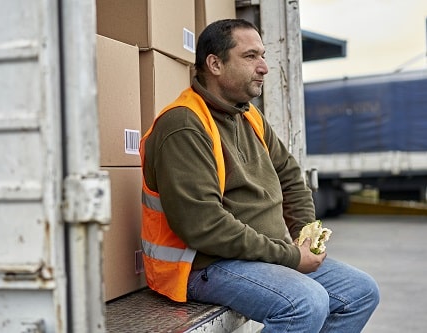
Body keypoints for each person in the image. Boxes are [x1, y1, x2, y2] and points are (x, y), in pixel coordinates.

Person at [139, 18, 379, 332]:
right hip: (205, 265)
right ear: (215, 64)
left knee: (360, 292)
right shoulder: (184, 125)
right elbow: (204, 226)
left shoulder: (249, 115)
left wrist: (306, 234)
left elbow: (290, 175)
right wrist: (290, 257)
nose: (264, 66)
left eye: (263, 55)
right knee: (304, 304)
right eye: (251, 56)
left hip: (261, 255)